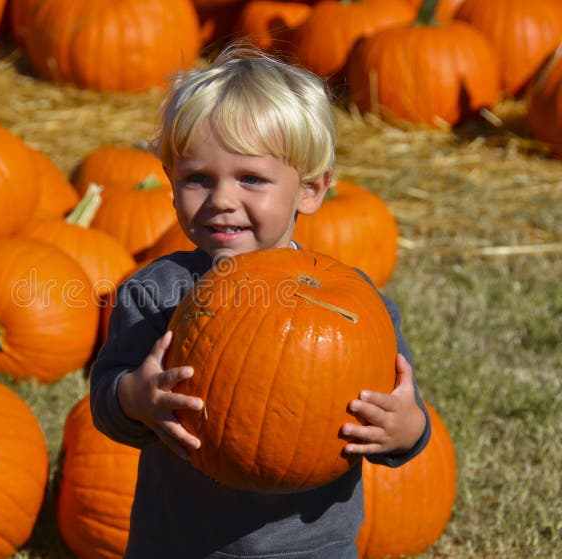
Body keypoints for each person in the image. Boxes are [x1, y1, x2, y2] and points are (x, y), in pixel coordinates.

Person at [89, 43, 430, 559]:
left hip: (310, 547)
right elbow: (106, 396)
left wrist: (408, 430)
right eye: (197, 179)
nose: (222, 199)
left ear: (311, 190)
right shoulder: (157, 292)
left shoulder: (355, 305)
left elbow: (399, 413)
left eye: (251, 178)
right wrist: (134, 398)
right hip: (177, 543)